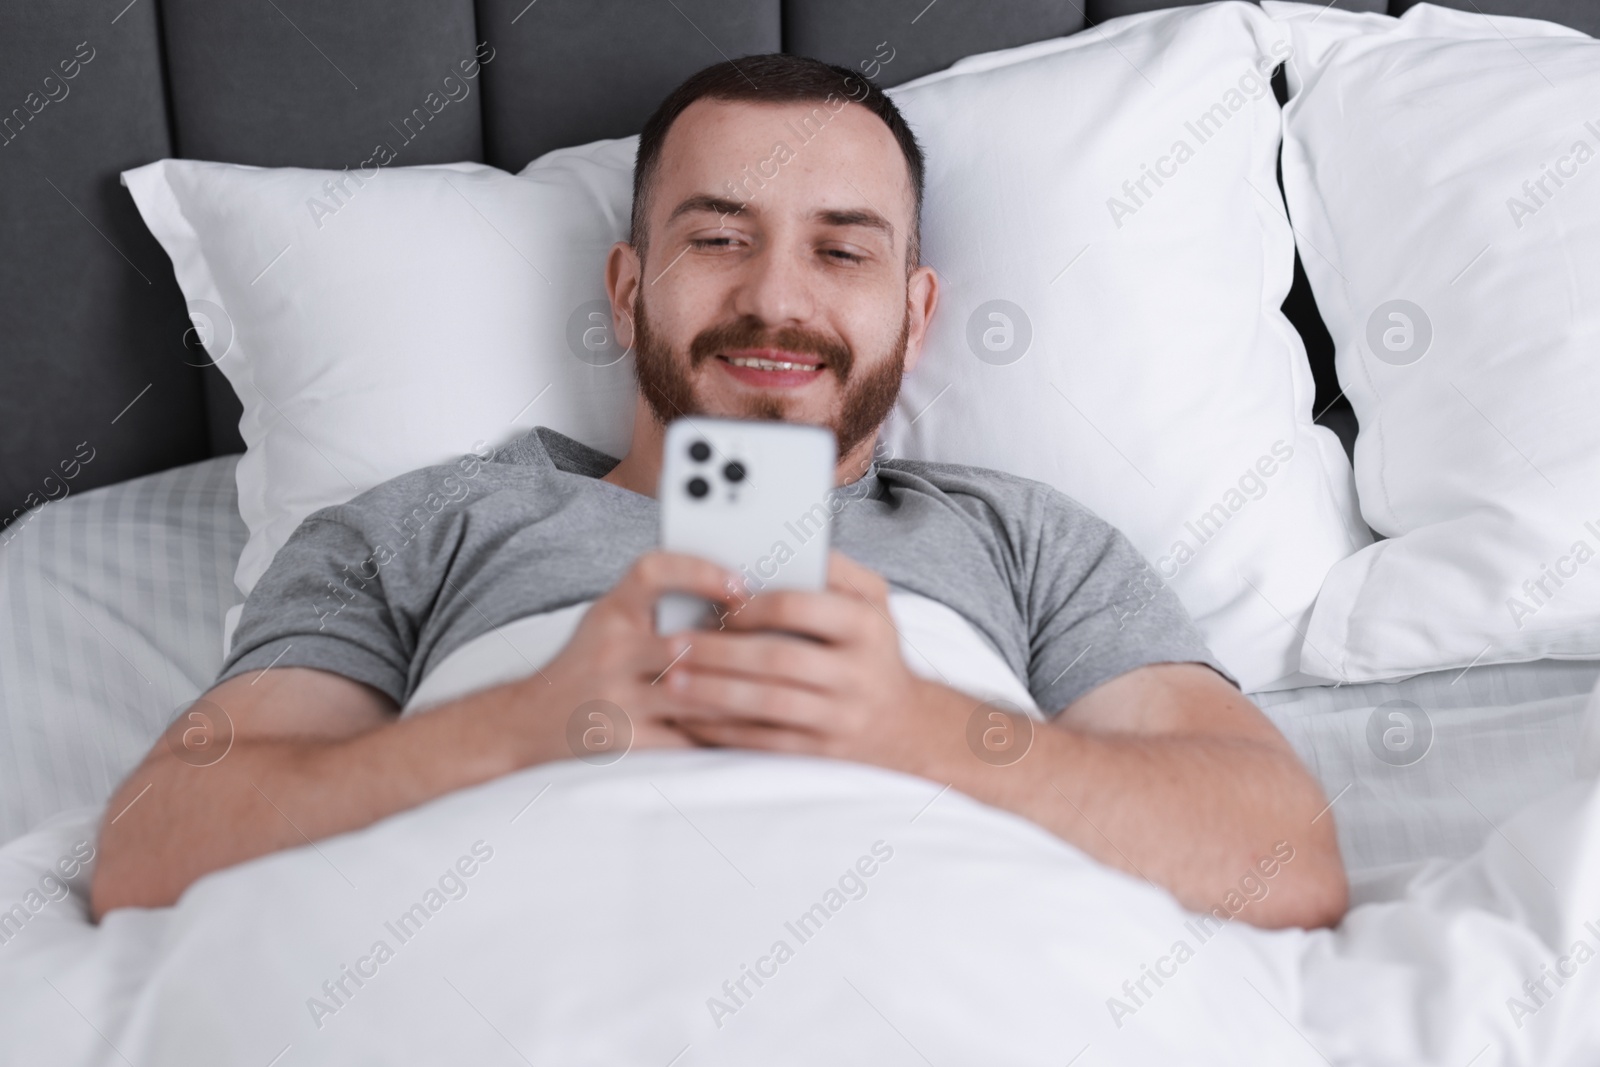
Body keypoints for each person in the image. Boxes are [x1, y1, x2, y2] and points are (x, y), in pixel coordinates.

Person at [92, 54, 1347, 928]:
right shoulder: (423, 523)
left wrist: (918, 727)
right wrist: (522, 722)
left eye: (842, 249)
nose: (777, 300)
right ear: (629, 286)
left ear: (913, 317)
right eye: (718, 236)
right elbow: (153, 848)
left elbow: (1283, 858)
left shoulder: (1025, 540)